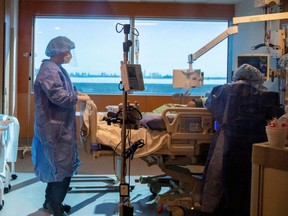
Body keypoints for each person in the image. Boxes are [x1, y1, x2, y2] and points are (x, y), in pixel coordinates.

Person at [198, 64, 282, 216]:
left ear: (236, 76)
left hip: (226, 142)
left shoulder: (222, 90)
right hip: (255, 144)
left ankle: (213, 208)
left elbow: (209, 104)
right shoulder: (268, 95)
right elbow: (275, 116)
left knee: (218, 177)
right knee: (249, 181)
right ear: (259, 78)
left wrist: (196, 102)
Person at [32, 36, 90, 216]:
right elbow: (58, 96)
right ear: (58, 51)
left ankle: (50, 200)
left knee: (55, 166)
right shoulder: (49, 70)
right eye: (68, 51)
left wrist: (76, 93)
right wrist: (76, 98)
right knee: (62, 168)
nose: (69, 55)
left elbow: (62, 91)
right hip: (54, 128)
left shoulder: (56, 69)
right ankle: (55, 205)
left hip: (58, 125)